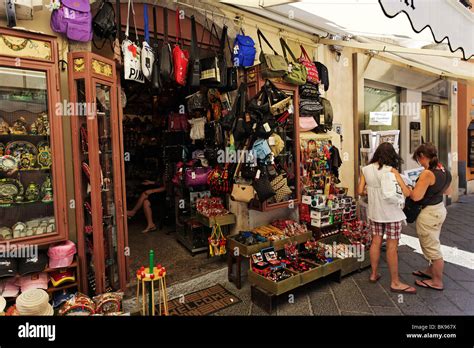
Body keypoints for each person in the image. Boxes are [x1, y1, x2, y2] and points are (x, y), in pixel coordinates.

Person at [358, 142, 416, 294]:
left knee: (376, 242)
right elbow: (407, 192)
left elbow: (359, 191)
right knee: (392, 247)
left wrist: (372, 192)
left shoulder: (366, 169)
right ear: (392, 156)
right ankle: (395, 282)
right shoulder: (392, 171)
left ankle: (373, 274)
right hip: (392, 214)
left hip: (375, 213)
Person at [405, 143, 451, 291]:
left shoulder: (427, 173)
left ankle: (437, 281)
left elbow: (416, 197)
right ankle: (430, 271)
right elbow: (447, 191)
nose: (419, 163)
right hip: (439, 209)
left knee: (432, 248)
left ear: (422, 156)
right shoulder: (443, 169)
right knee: (433, 241)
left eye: (418, 160)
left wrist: (409, 188)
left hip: (429, 213)